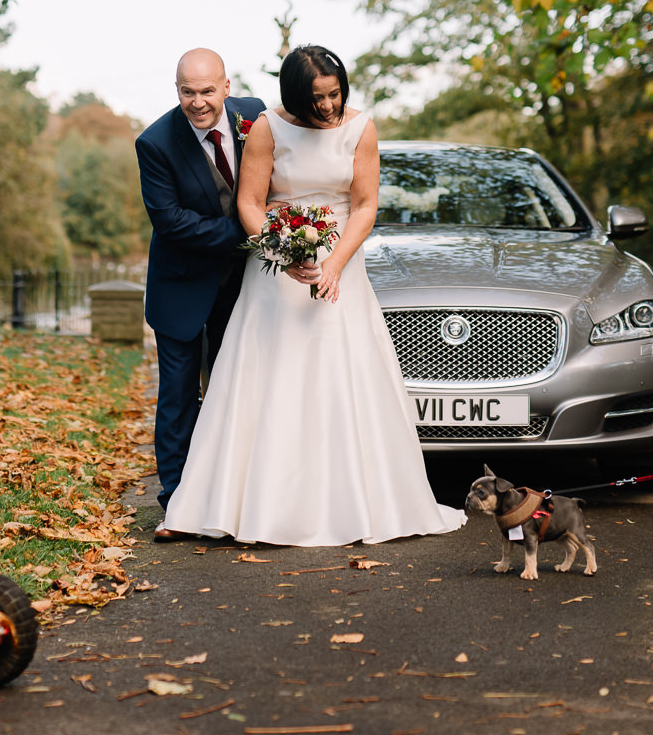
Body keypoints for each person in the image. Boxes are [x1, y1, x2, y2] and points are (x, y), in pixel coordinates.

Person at [161, 45, 467, 545]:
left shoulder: (361, 128)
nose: (327, 107)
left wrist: (334, 266)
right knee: (271, 383)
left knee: (340, 379)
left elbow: (365, 205)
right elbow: (249, 202)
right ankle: (256, 506)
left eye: (334, 94)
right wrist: (282, 252)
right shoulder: (267, 127)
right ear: (293, 97)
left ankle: (350, 504)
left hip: (342, 262)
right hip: (276, 275)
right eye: (315, 99)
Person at [135, 48, 268, 536]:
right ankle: (177, 504)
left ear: (226, 87)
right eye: (187, 92)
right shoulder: (155, 143)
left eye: (207, 90)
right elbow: (171, 223)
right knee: (178, 397)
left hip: (245, 287)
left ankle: (234, 497)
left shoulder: (254, 116)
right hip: (181, 288)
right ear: (177, 90)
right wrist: (253, 233)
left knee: (237, 389)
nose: (197, 102)